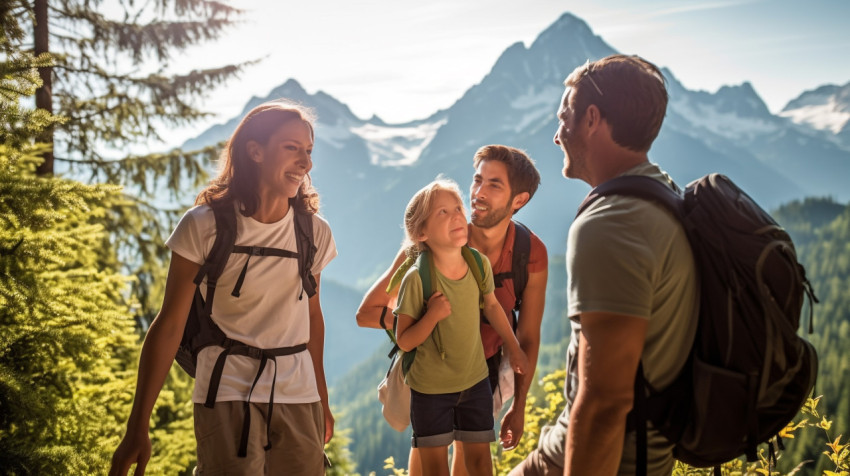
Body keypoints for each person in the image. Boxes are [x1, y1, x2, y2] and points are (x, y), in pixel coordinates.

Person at [109, 100, 337, 476]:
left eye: (309, 151)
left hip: (299, 394)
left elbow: (312, 318)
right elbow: (168, 326)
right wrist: (138, 426)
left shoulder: (314, 232)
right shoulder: (203, 226)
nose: (306, 163)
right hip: (226, 389)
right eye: (292, 148)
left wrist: (322, 401)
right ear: (255, 151)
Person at [509, 55, 699, 476]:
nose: (558, 136)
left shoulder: (613, 223)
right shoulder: (661, 193)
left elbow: (605, 404)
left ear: (591, 119)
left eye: (564, 118)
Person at [357, 145, 548, 475]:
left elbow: (528, 336)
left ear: (519, 200)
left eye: (494, 184)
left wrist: (519, 405)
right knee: (431, 457)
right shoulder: (435, 243)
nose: (477, 193)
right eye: (477, 180)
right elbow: (366, 313)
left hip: (482, 367)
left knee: (470, 460)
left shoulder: (529, 253)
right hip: (432, 372)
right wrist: (420, 322)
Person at [392, 178, 530, 476]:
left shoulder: (478, 264)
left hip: (475, 381)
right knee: (435, 468)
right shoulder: (417, 280)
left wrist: (515, 349)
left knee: (481, 463)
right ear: (422, 233)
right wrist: (431, 316)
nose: (456, 215)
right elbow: (404, 341)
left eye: (458, 207)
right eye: (443, 212)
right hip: (430, 391)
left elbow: (493, 307)